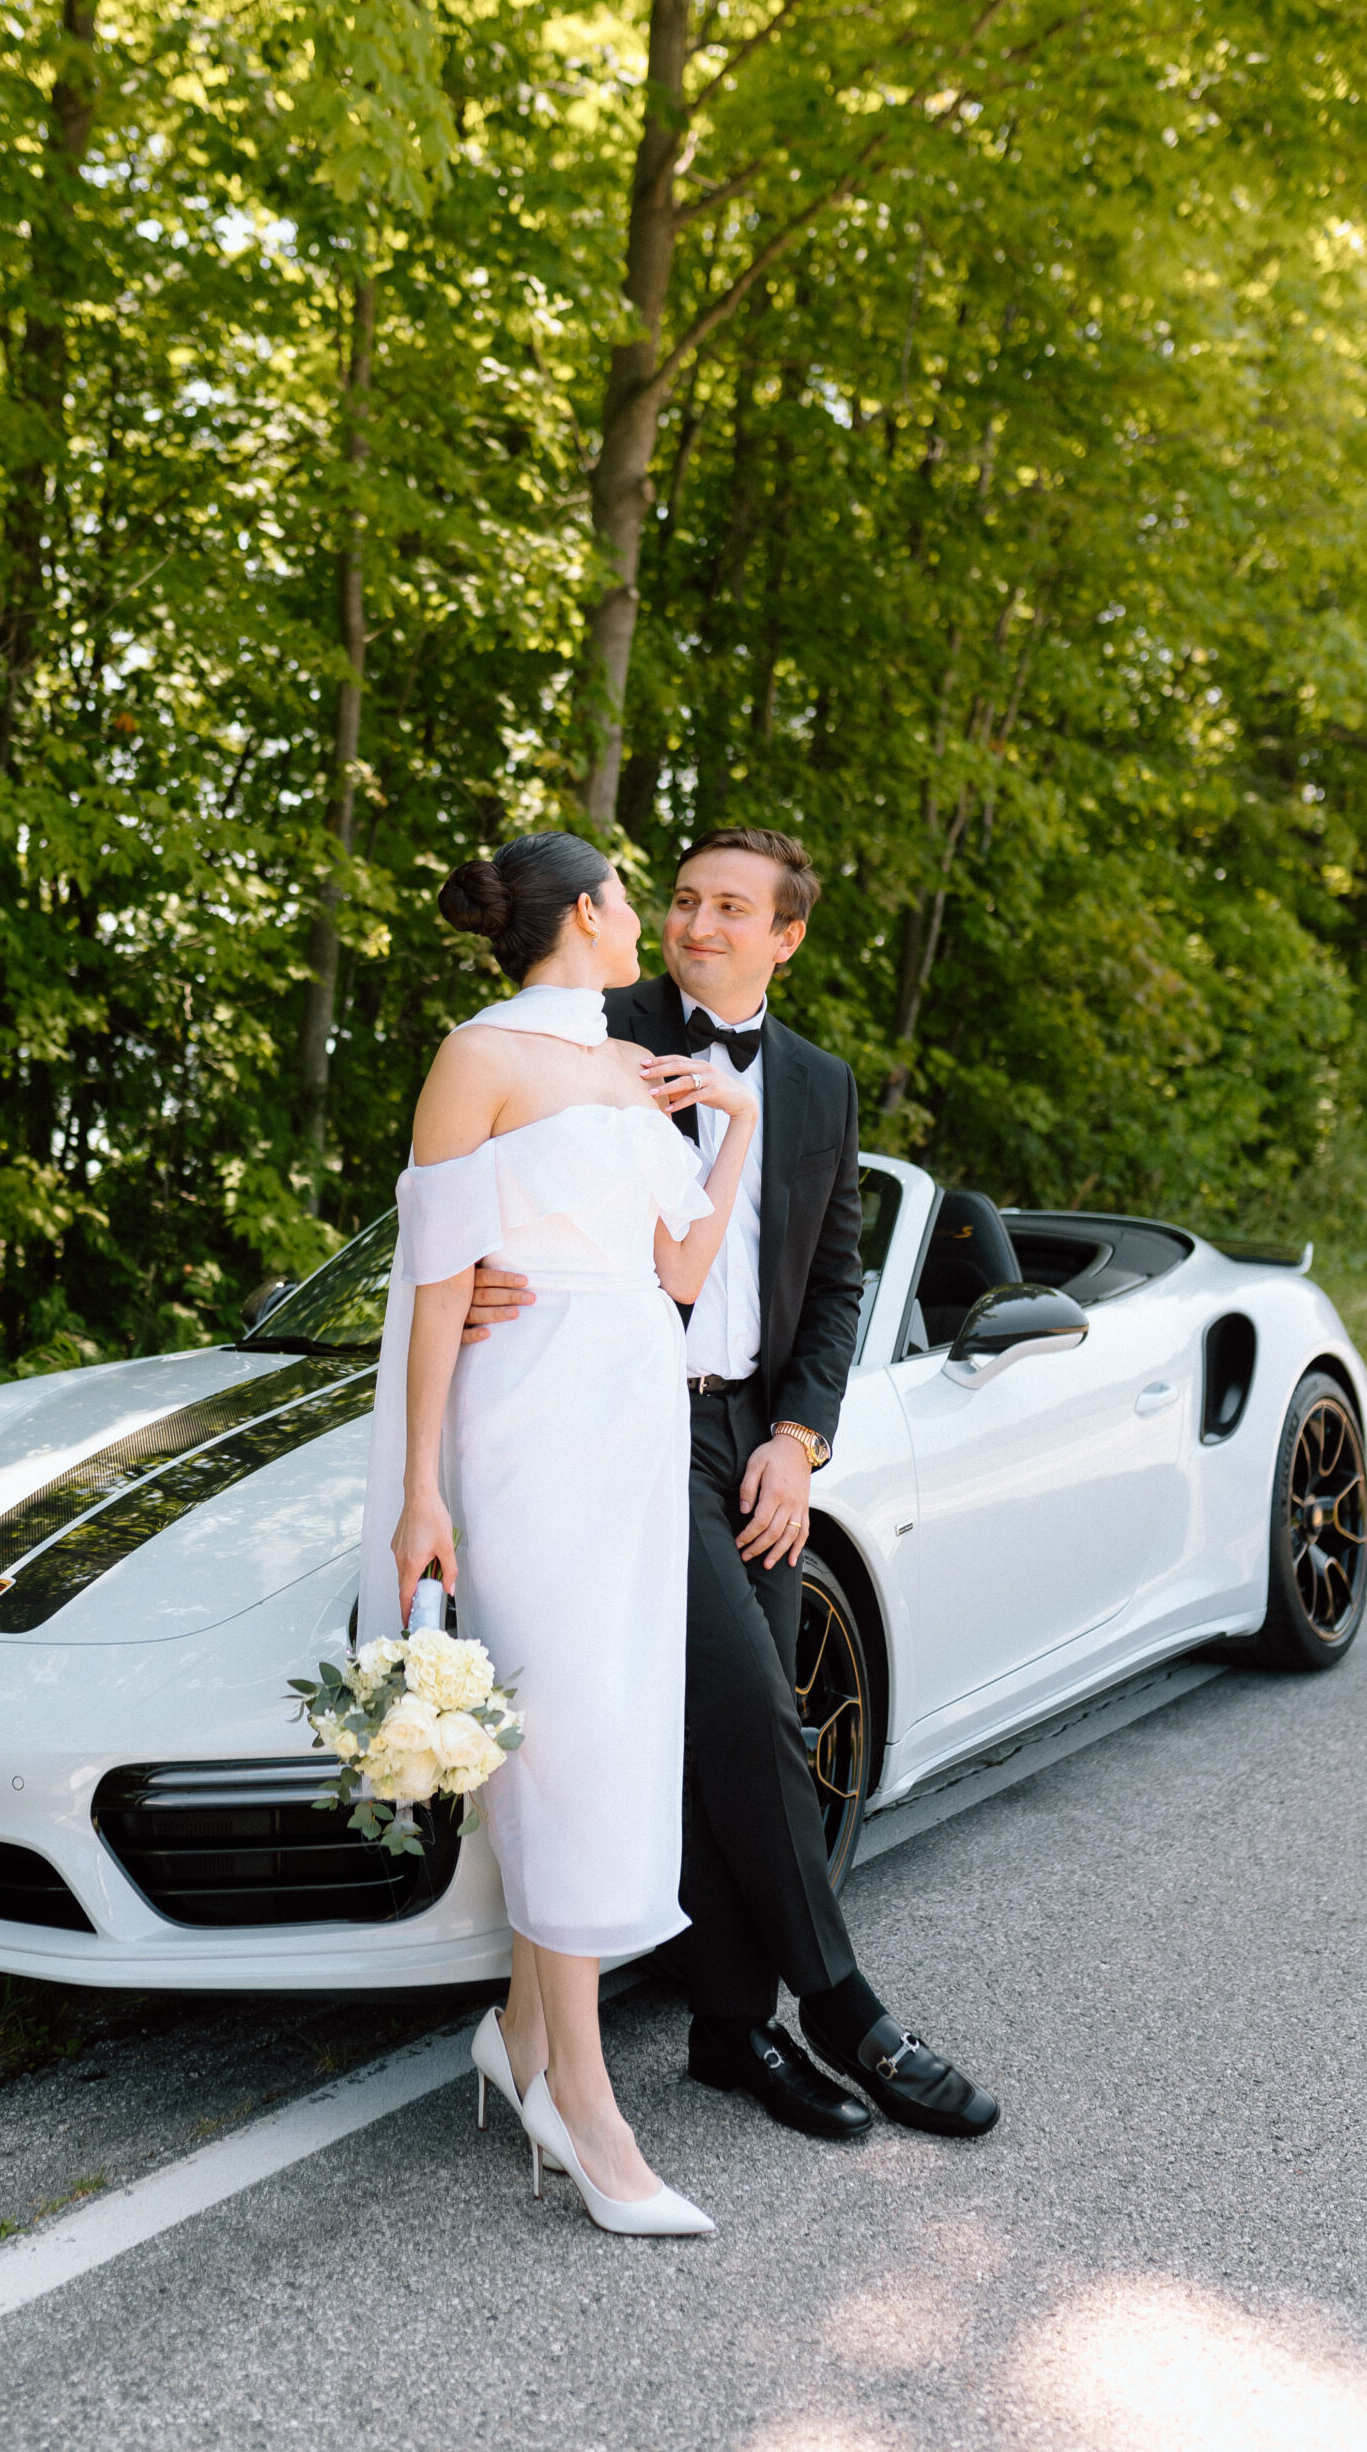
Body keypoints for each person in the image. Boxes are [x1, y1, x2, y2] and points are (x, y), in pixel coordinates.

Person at [466, 827, 999, 2142]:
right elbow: (477, 1184)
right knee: (758, 1710)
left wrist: (801, 1440)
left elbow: (833, 1284)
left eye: (729, 909)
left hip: (747, 1431)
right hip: (618, 1428)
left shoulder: (818, 1086)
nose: (698, 925)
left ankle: (727, 2029)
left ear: (787, 937)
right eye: (686, 901)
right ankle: (847, 2007)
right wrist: (469, 1278)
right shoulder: (588, 1027)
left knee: (721, 1737)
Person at [357, 830, 758, 2236]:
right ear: (586, 913)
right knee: (569, 1739)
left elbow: (683, 1278)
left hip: (632, 1418)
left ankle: (520, 2046)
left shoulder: (624, 1066)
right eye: (635, 899)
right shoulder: (482, 1055)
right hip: (521, 1423)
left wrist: (735, 1122)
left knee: (615, 1725)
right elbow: (433, 1278)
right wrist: (421, 1489)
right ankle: (590, 2113)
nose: (648, 919)